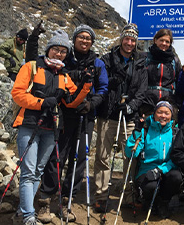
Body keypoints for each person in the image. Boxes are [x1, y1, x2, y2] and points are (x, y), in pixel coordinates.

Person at [11, 30, 92, 225]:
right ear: (48, 49)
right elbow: (17, 93)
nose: (59, 54)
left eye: (63, 51)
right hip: (29, 125)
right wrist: (41, 102)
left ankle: (24, 212)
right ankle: (29, 216)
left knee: (37, 171)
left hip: (51, 129)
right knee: (29, 172)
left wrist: (86, 85)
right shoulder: (31, 67)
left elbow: (72, 101)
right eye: (56, 49)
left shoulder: (63, 75)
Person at [37, 24, 108, 222]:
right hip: (62, 113)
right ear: (74, 39)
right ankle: (46, 199)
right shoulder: (63, 58)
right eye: (81, 37)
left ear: (92, 42)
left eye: (88, 38)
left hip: (86, 115)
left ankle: (66, 201)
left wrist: (92, 103)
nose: (84, 41)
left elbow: (103, 88)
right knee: (56, 156)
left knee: (79, 159)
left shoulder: (97, 63)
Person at [94, 23, 148, 210]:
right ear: (121, 39)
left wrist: (132, 107)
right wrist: (111, 82)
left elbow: (142, 90)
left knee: (130, 157)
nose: (129, 42)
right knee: (102, 156)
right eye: (127, 38)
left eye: (133, 40)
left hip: (129, 117)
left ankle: (129, 195)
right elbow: (99, 83)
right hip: (107, 114)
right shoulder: (108, 59)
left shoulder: (141, 63)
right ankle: (101, 195)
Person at [125, 101, 183, 219]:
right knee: (150, 187)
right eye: (160, 112)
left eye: (166, 113)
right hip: (146, 170)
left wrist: (160, 170)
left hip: (166, 169)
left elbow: (177, 157)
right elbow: (130, 153)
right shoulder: (145, 130)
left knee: (176, 177)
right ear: (154, 113)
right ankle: (151, 201)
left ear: (171, 115)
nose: (163, 116)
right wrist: (136, 132)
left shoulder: (175, 132)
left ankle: (163, 202)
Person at [141, 29, 181, 118]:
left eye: (167, 41)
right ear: (155, 40)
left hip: (168, 107)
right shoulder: (145, 58)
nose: (164, 43)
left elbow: (179, 84)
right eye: (161, 40)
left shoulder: (174, 61)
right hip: (147, 106)